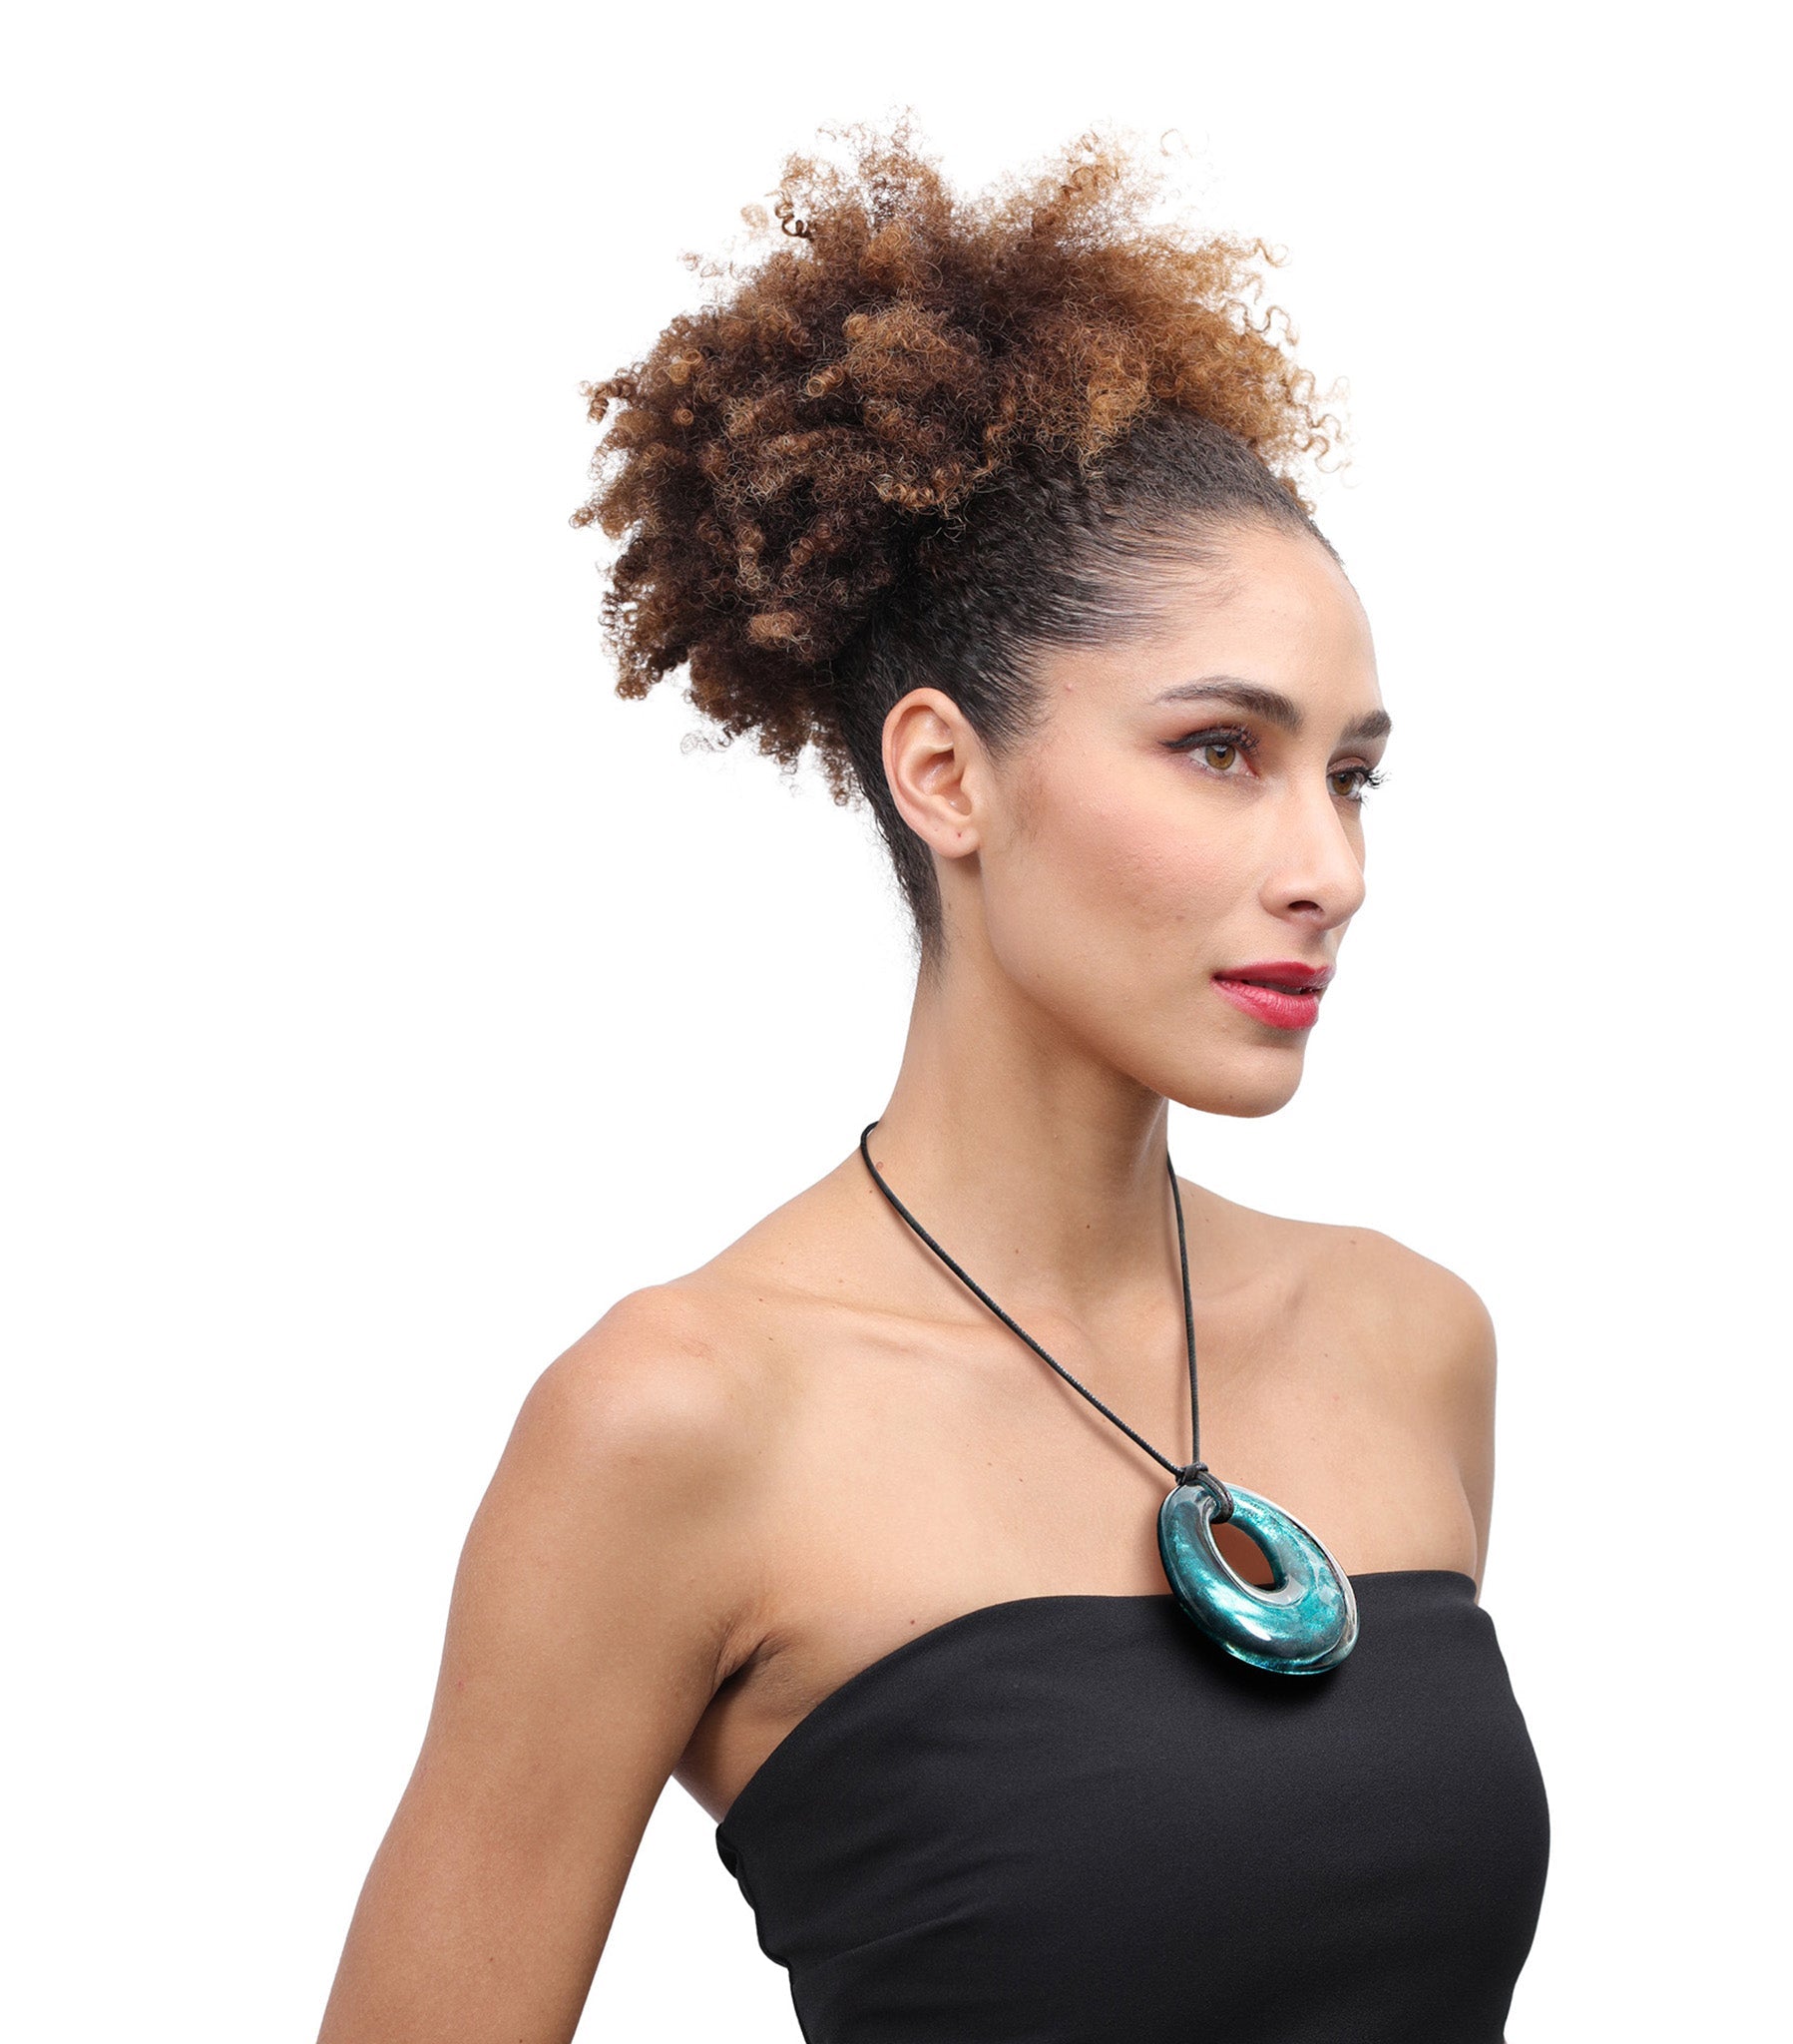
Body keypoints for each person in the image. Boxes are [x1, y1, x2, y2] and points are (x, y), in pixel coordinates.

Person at [316, 120, 1550, 2044]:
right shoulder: (679, 1419)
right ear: (945, 775)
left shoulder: (1413, 1343)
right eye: (1221, 751)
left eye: (1353, 774)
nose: (1331, 867)